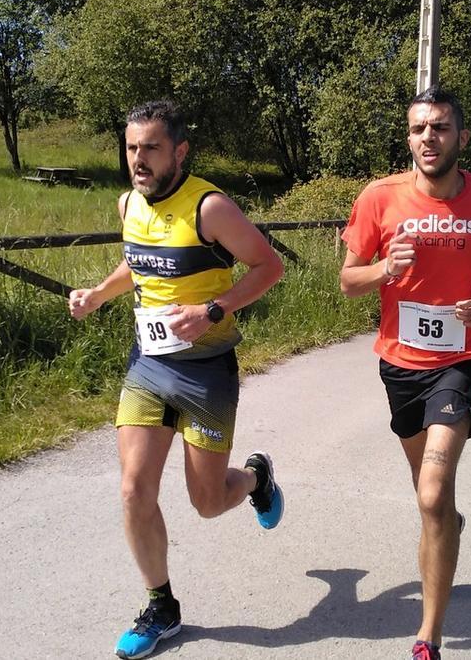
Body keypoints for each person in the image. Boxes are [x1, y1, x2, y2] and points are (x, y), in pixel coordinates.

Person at [67, 100, 285, 660]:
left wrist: (213, 310)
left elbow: (269, 267)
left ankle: (257, 479)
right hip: (148, 365)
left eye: (151, 148)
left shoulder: (210, 208)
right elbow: (137, 263)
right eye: (131, 147)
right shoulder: (128, 203)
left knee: (208, 502)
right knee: (134, 489)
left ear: (180, 151)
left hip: (207, 370)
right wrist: (98, 293)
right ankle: (161, 606)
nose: (138, 159)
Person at [339, 86, 471, 660]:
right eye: (420, 128)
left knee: (429, 496)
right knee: (434, 501)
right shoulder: (379, 198)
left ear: (461, 138)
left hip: (462, 358)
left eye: (441, 128)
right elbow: (349, 280)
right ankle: (449, 521)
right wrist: (383, 269)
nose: (430, 137)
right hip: (399, 363)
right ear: (410, 137)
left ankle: (429, 636)